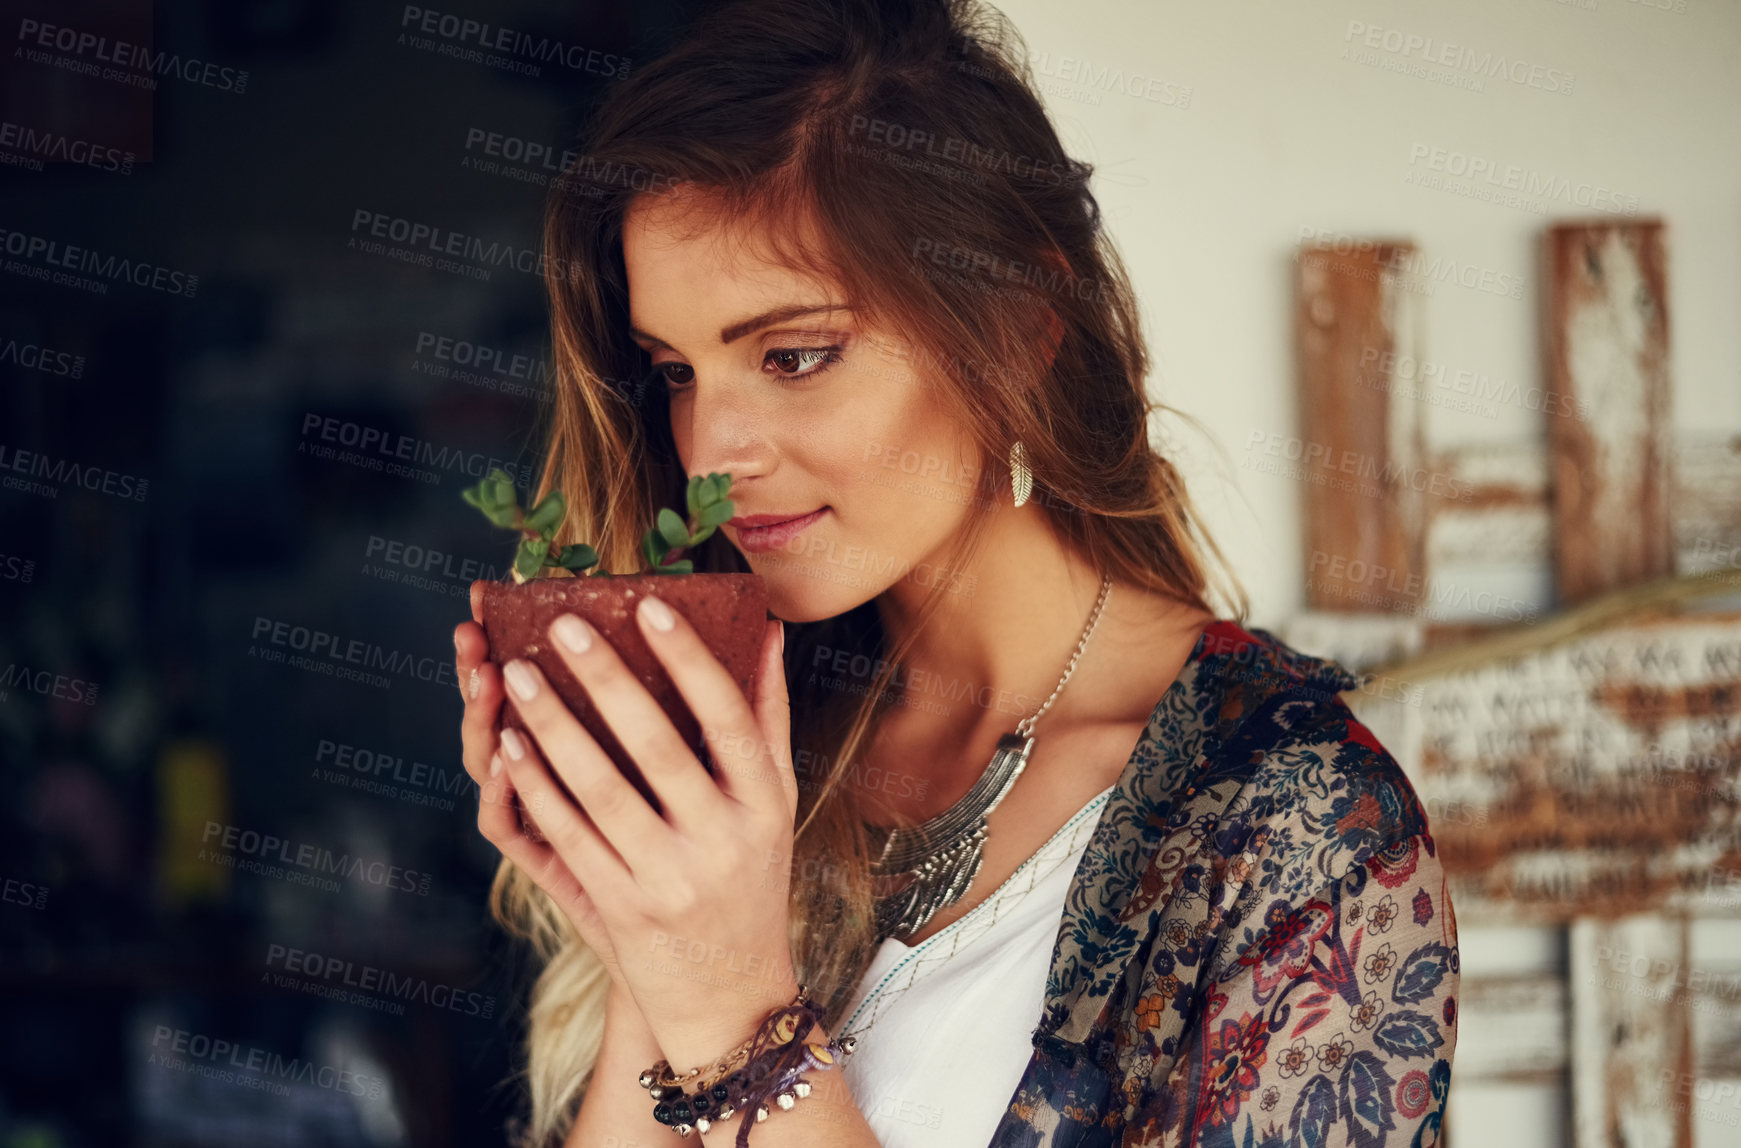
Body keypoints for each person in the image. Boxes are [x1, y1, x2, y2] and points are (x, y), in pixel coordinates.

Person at [449, 0, 1459, 1145]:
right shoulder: (769, 741)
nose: (709, 451)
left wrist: (737, 1009)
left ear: (1019, 327)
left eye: (793, 354)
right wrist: (651, 938)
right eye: (675, 371)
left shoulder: (1298, 827)